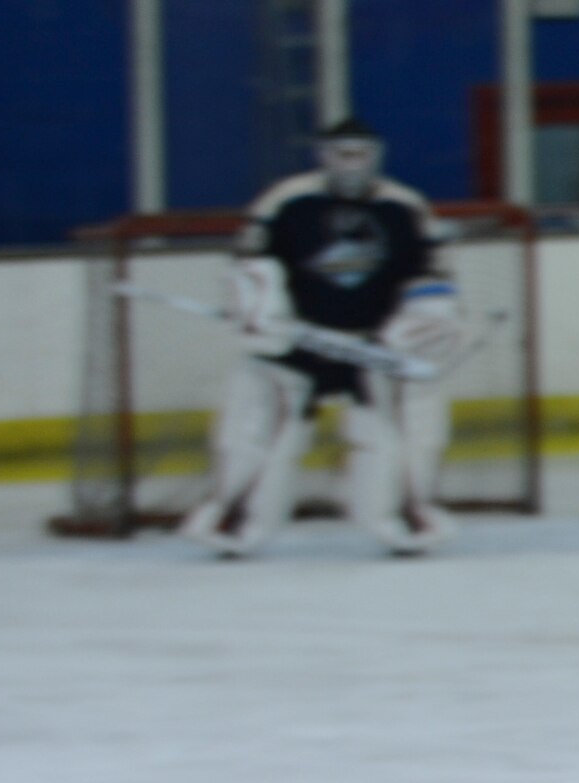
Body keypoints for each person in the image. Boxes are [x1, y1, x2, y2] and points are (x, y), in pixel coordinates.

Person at [180, 117, 466, 557]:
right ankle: (233, 522)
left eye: (361, 152)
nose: (351, 163)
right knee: (260, 432)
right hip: (295, 344)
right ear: (322, 155)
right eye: (341, 152)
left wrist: (418, 323)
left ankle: (406, 517)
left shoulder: (406, 206)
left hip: (371, 346)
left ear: (377, 155)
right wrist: (262, 313)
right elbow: (248, 262)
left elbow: (433, 274)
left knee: (399, 436)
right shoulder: (287, 199)